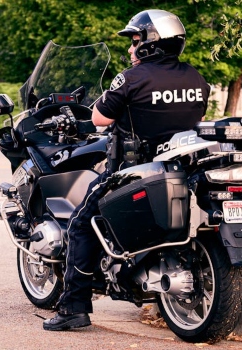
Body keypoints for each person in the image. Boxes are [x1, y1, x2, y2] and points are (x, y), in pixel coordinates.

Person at [43, 9, 211, 331]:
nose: (131, 49)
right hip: (183, 167)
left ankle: (73, 308)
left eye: (135, 42)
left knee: (81, 224)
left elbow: (99, 119)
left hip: (135, 169)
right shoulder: (195, 77)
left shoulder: (131, 78)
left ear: (150, 44)